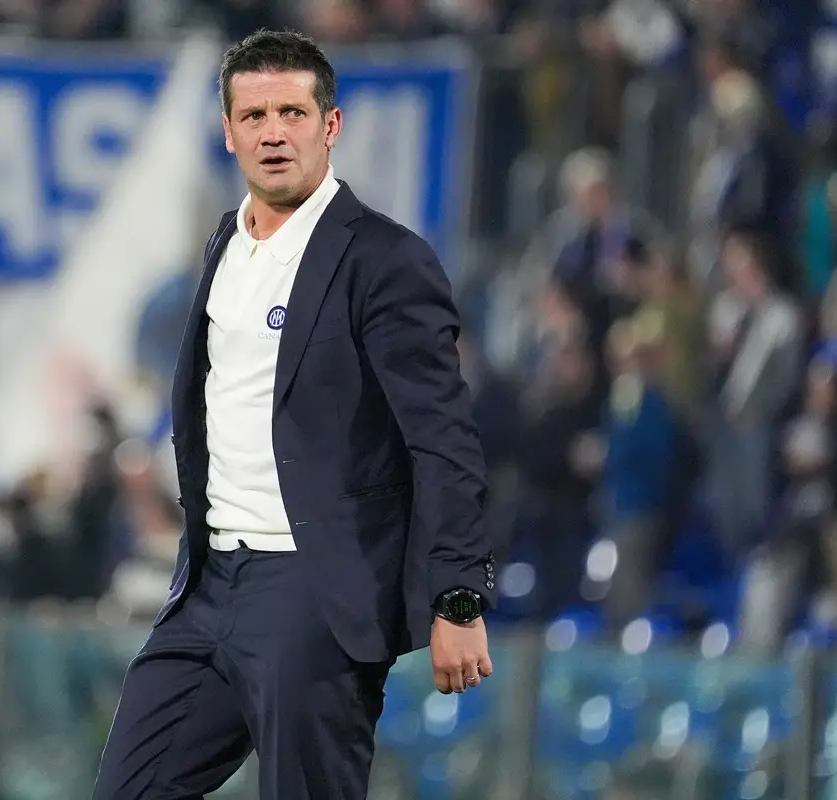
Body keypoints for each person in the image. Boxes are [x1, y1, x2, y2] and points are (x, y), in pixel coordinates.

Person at [93, 29, 495, 799]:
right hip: (208, 585)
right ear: (229, 131)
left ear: (329, 125)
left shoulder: (386, 260)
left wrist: (457, 596)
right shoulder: (225, 243)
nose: (273, 133)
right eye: (254, 116)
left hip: (315, 592)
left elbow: (443, 439)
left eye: (292, 113)